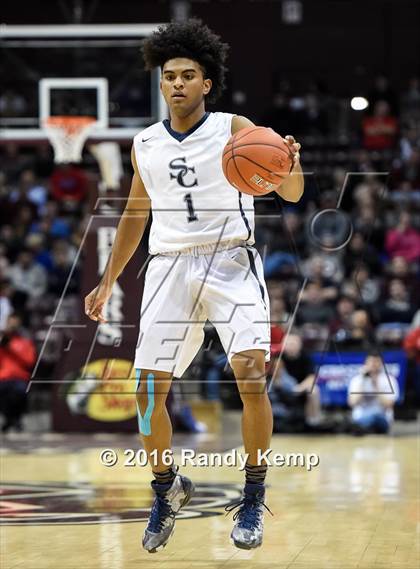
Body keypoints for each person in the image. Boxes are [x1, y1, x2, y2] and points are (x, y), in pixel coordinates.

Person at [84, 19, 304, 552]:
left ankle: (252, 495)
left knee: (250, 374)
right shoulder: (145, 143)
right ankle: (167, 488)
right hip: (168, 267)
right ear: (161, 85)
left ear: (207, 83)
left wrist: (290, 162)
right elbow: (136, 214)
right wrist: (108, 279)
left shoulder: (235, 128)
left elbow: (292, 193)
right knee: (145, 392)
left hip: (230, 260)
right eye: (170, 76)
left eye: (188, 75)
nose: (178, 83)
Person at [0, 313, 36, 432]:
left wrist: (11, 348)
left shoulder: (25, 341)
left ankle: (14, 420)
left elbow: (30, 361)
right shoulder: (2, 342)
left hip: (20, 378)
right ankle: (10, 420)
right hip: (3, 378)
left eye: (15, 322)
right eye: (11, 322)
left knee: (19, 392)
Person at [348, 353, 399, 435]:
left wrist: (376, 385)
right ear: (365, 364)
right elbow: (352, 403)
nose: (373, 365)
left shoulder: (389, 380)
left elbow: (389, 405)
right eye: (371, 362)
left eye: (376, 362)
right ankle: (366, 430)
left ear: (381, 364)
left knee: (375, 416)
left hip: (382, 418)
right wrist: (363, 380)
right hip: (361, 417)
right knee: (367, 418)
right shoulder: (357, 380)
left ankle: (366, 430)